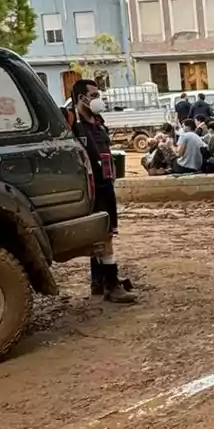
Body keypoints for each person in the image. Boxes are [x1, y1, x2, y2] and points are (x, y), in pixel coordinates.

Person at [69, 79, 137, 304]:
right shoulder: (72, 123)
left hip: (106, 185)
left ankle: (99, 281)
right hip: (90, 187)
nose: (98, 99)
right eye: (94, 95)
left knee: (104, 232)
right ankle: (111, 284)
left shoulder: (98, 122)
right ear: (81, 98)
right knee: (102, 234)